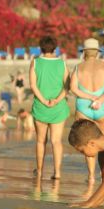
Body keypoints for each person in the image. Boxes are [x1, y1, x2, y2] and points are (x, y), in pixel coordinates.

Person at [70, 38, 104, 184]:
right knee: (103, 142)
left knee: (87, 141)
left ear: (84, 53)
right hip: (103, 107)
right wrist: (100, 99)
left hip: (84, 107)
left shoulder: (78, 68)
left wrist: (90, 97)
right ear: (97, 52)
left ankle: (91, 176)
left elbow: (73, 88)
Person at [30, 36, 70, 179]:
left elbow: (33, 85)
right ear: (55, 47)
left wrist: (44, 101)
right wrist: (57, 100)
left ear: (41, 48)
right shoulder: (62, 63)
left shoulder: (35, 62)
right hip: (58, 107)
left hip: (40, 106)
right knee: (56, 141)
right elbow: (67, 85)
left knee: (41, 141)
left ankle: (40, 171)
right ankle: (57, 172)